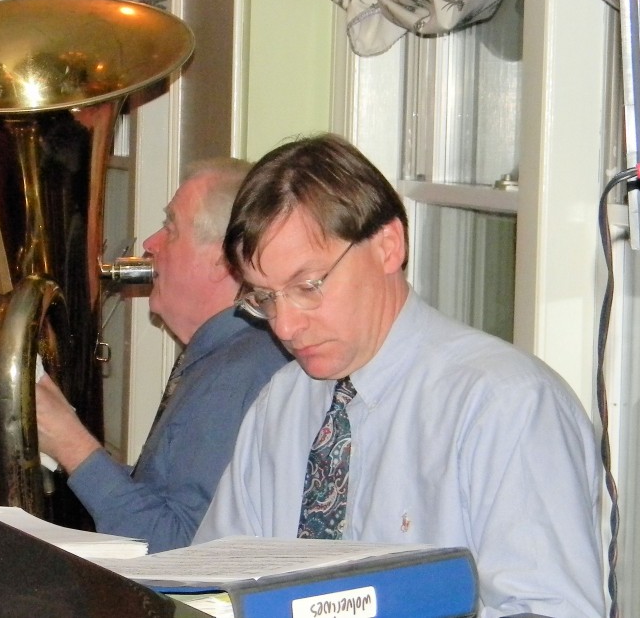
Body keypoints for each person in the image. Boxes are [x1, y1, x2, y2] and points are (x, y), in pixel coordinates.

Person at [192, 134, 605, 617]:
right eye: (264, 297)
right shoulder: (283, 401)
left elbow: (553, 610)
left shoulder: (505, 404)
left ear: (388, 245)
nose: (285, 325)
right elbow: (212, 589)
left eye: (307, 286)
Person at [0, 158, 291, 552]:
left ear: (223, 259)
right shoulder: (221, 357)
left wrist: (74, 444)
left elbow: (179, 550)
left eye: (171, 228)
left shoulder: (236, 375)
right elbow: (158, 494)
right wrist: (39, 446)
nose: (150, 244)